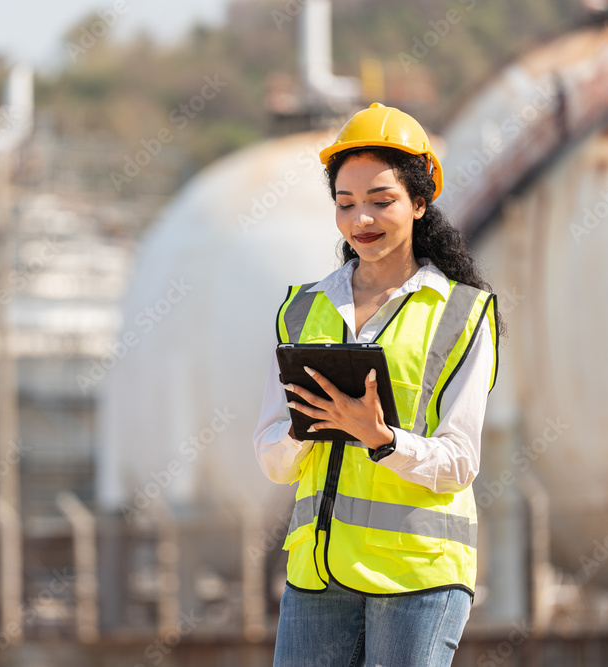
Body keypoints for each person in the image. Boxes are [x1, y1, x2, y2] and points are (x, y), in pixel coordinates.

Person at [253, 103, 500, 667]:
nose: (361, 218)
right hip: (317, 572)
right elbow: (272, 458)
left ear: (418, 202)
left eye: (381, 201)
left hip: (417, 577)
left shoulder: (462, 313)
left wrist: (380, 439)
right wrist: (310, 426)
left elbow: (460, 461)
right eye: (346, 204)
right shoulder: (302, 310)